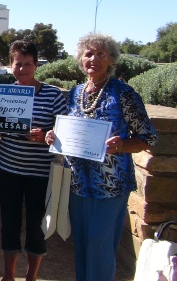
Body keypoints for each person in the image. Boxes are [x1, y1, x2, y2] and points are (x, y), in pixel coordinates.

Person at [45, 33, 157, 281]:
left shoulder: (123, 93)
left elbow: (148, 137)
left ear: (111, 60)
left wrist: (122, 145)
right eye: (88, 54)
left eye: (100, 54)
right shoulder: (75, 93)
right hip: (77, 184)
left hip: (110, 187)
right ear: (80, 59)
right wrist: (55, 136)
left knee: (100, 246)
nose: (93, 59)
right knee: (83, 245)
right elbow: (70, 129)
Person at [0, 41, 67, 281]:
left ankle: (31, 276)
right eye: (18, 64)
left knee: (36, 225)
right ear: (10, 65)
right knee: (9, 223)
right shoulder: (3, 93)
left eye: (28, 64)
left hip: (40, 173)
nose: (23, 69)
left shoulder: (53, 95)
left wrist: (46, 136)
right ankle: (8, 275)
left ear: (37, 65)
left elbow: (65, 134)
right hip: (9, 170)